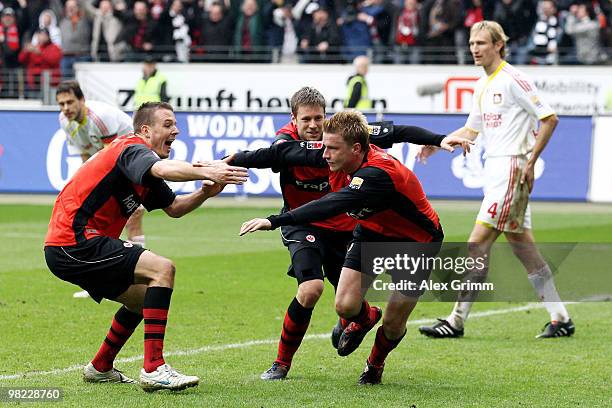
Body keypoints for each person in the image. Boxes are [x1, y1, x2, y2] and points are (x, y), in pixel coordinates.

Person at [230, 88, 469, 382]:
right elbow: (277, 153)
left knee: (394, 323)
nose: (323, 155)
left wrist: (274, 220)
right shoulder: (336, 148)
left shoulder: (376, 175)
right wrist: (232, 160)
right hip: (370, 231)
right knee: (344, 304)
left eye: (330, 149)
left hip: (416, 243)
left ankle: (374, 365)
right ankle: (360, 321)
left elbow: (330, 204)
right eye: (323, 147)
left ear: (355, 149)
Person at [44, 101, 249, 391]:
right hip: (74, 241)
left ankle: (100, 367)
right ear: (144, 130)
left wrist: (205, 192)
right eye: (167, 124)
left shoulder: (144, 169)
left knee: (142, 299)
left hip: (75, 245)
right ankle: (154, 368)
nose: (176, 130)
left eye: (175, 124)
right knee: (163, 269)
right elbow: (163, 168)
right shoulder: (131, 148)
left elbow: (174, 207)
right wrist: (206, 170)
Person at [417, 20, 574, 340]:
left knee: (478, 243)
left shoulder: (513, 79)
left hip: (512, 169)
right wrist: (437, 142)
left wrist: (530, 161)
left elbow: (550, 118)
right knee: (522, 246)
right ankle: (561, 317)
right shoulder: (482, 84)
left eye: (482, 43)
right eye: (473, 43)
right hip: (496, 172)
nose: (475, 48)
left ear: (498, 45)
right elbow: (472, 131)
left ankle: (456, 319)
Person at [56, 80, 142, 298]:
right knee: (97, 222)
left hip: (132, 161)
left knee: (132, 216)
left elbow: (112, 158)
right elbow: (87, 158)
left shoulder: (100, 118)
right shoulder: (65, 122)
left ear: (82, 100)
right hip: (112, 163)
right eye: (61, 104)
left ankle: (135, 272)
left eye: (70, 102)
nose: (66, 108)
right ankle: (96, 279)